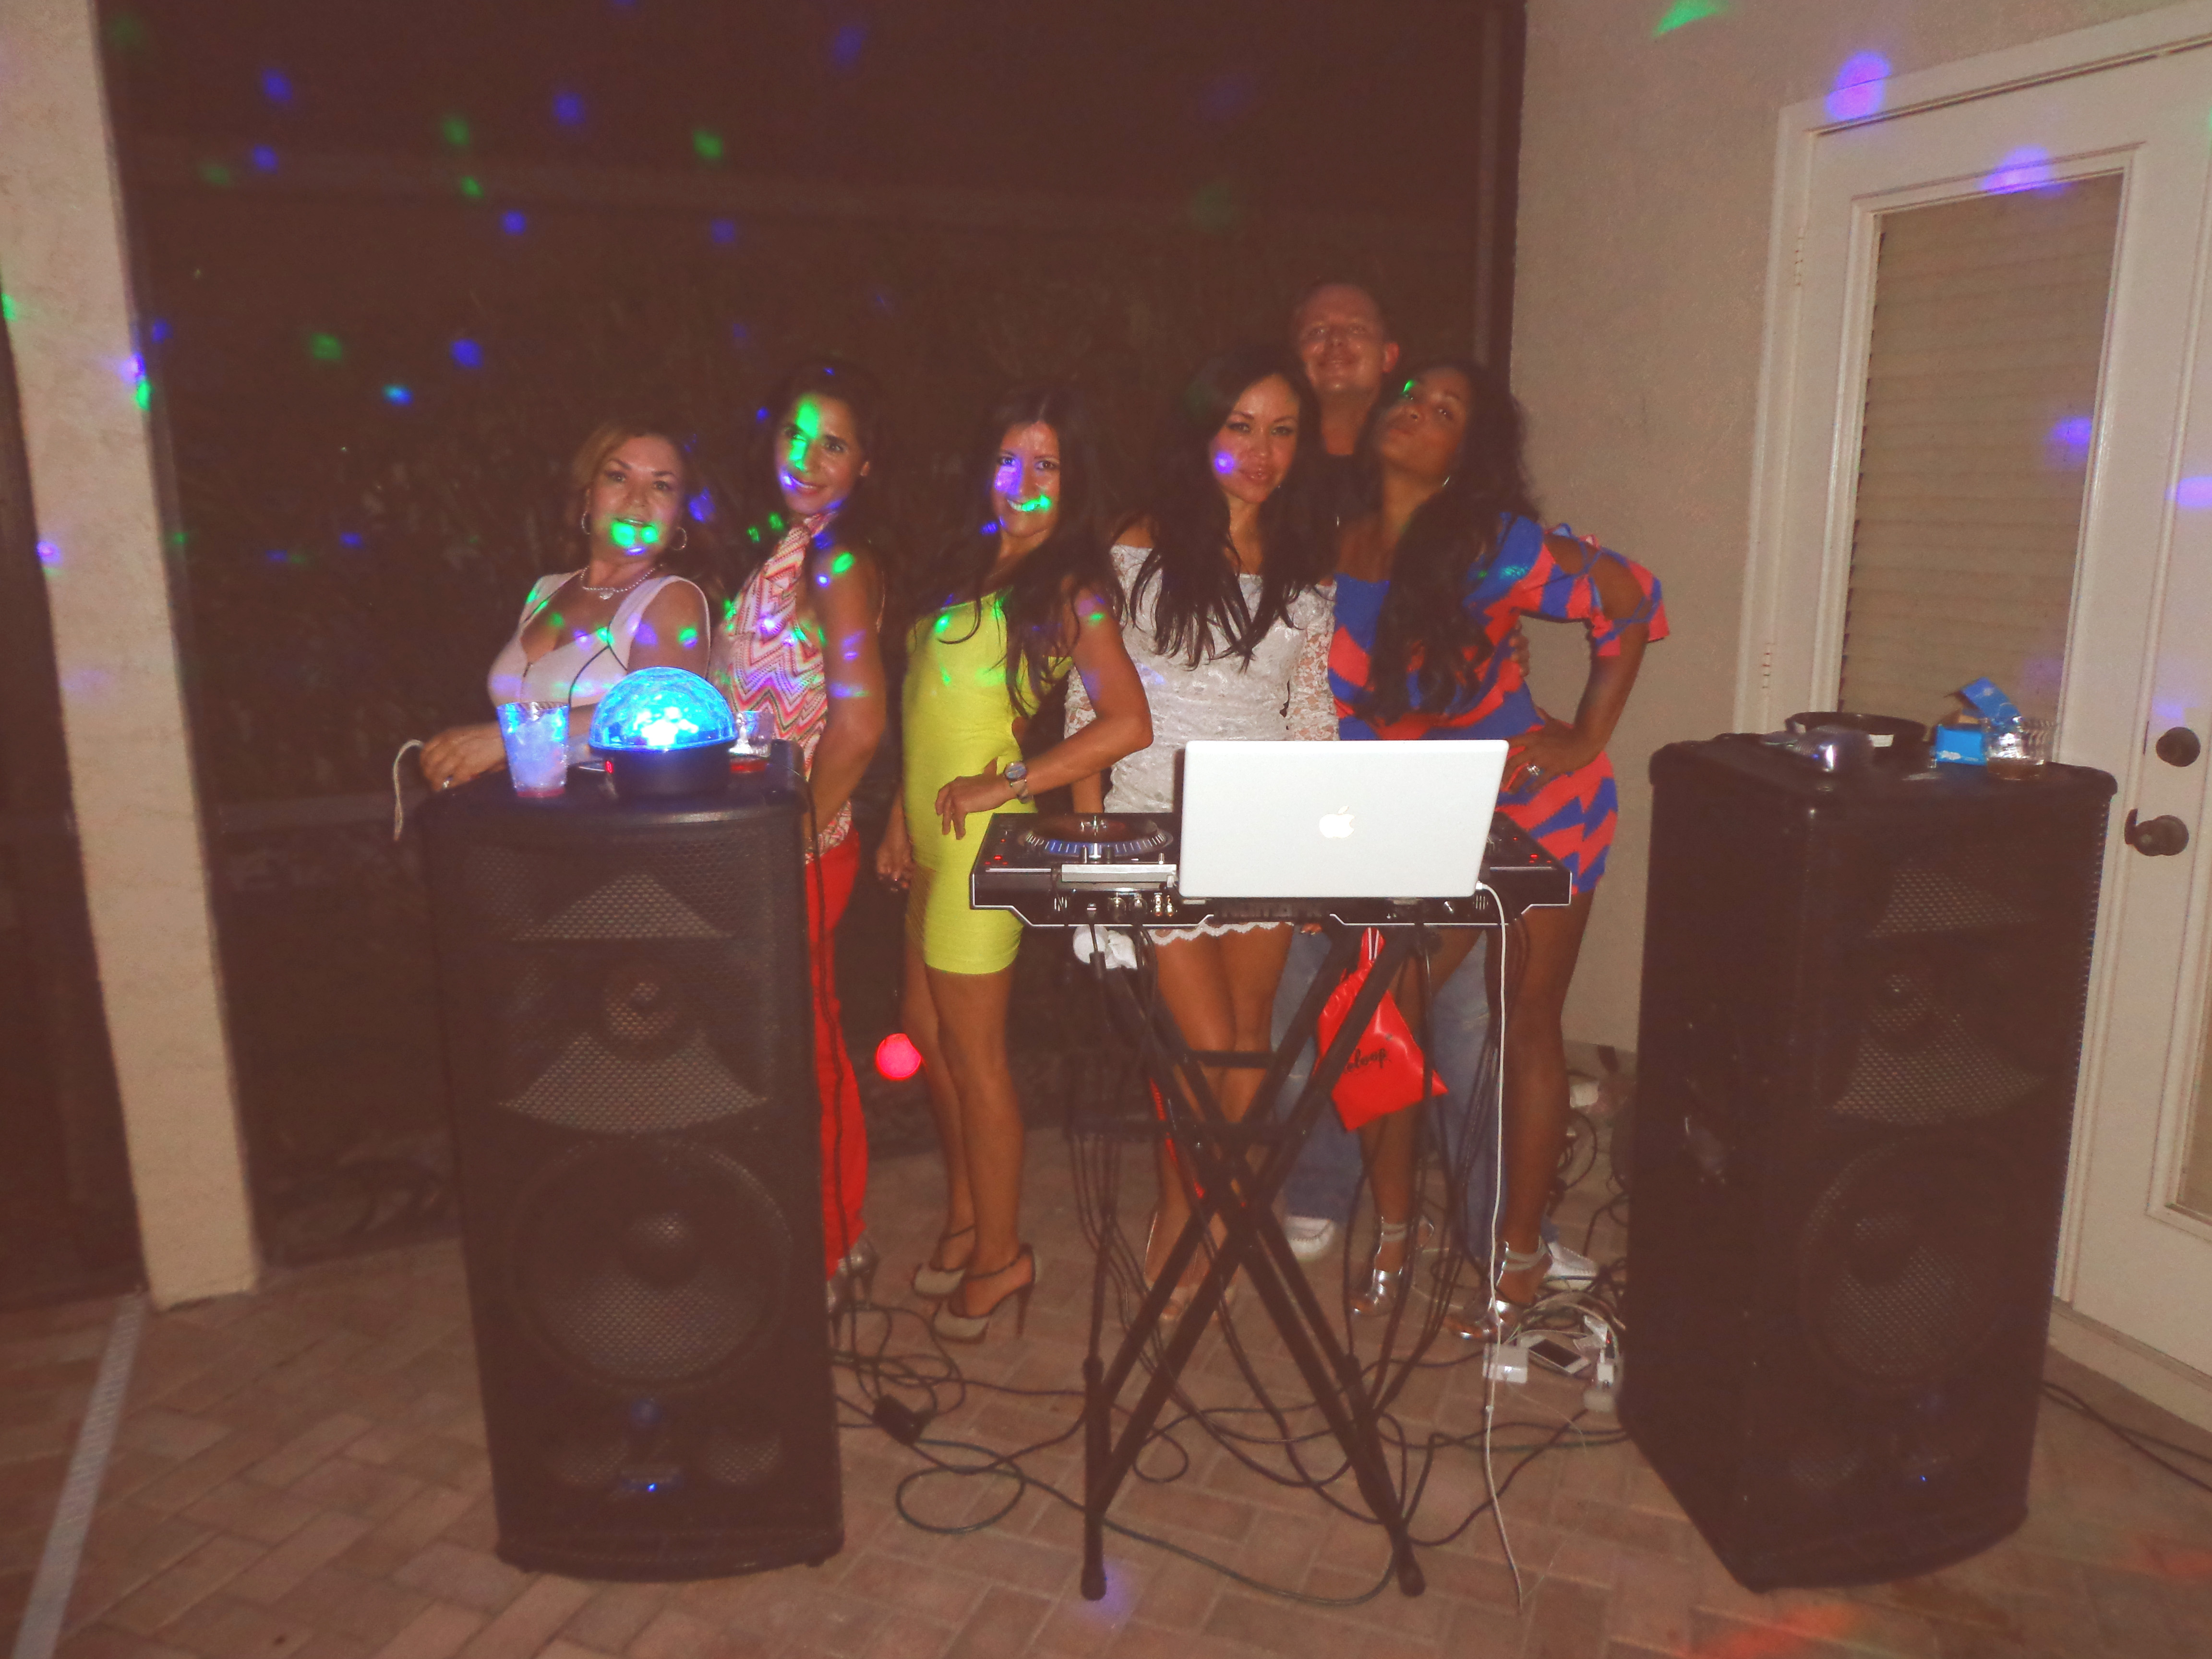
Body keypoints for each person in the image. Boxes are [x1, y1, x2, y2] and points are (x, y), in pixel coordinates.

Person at [1317, 359, 1665, 1330]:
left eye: (1444, 412)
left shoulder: (1489, 545)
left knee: (1525, 1023)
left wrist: (1585, 737)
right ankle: (1396, 1229)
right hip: (1414, 819)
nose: (1415, 414)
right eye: (1411, 398)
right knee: (1374, 1020)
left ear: (1463, 456)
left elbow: (1629, 598)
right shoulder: (1335, 541)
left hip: (1534, 808)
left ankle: (1517, 1250)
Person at [1063, 346, 1335, 1319]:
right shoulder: (1135, 544)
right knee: (1203, 1046)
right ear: (1202, 432)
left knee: (1251, 1039)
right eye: (1239, 426)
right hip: (1152, 819)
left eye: (1281, 431)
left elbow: (1308, 712)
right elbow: (1090, 701)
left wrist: (1323, 844)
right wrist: (1091, 839)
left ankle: (1215, 1206)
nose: (1261, 451)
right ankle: (1192, 1206)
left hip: (1265, 819)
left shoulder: (1306, 561)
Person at [876, 385, 1151, 1341]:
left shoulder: (1070, 589)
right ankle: (966, 1219)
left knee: (976, 1057)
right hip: (930, 836)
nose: (1021, 481)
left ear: (1072, 483)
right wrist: (899, 815)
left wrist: (1011, 783)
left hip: (982, 846)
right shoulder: (966, 562)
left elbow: (1127, 721)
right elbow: (924, 710)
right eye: (1007, 459)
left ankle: (1002, 1256)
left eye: (1045, 464)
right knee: (928, 1036)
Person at [711, 360, 889, 1310]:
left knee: (800, 1050)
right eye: (795, 436)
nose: (809, 458)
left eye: (834, 444)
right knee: (787, 1043)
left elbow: (859, 724)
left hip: (801, 848)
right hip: (764, 843)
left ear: (864, 466)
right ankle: (825, 1234)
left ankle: (833, 1243)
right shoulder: (789, 552)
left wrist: (795, 844)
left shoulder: (839, 563)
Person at [421, 420, 715, 791]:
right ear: (589, 497)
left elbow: (657, 713)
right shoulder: (545, 591)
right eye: (618, 477)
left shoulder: (673, 597)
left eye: (661, 485)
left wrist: (511, 738)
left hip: (608, 818)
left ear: (680, 516)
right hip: (521, 819)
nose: (637, 498)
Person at [1289, 280, 1399, 531]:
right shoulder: (1266, 464)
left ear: (1388, 356)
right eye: (1317, 331)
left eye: (1356, 329)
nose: (1336, 340)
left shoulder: (1416, 468)